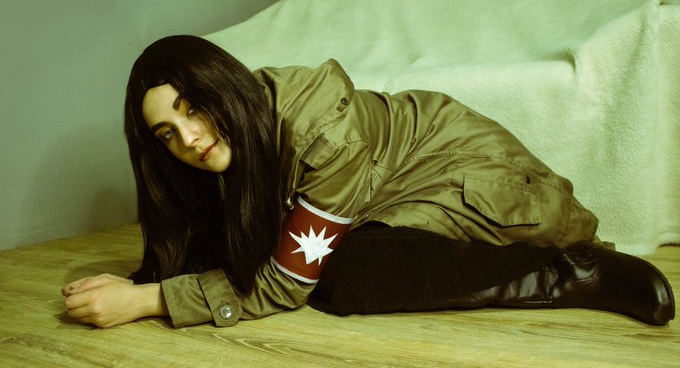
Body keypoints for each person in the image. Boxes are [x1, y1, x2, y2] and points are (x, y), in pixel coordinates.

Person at [62, 35, 674, 328]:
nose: (189, 139)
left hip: (479, 181)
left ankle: (574, 270)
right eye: (167, 133)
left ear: (220, 85)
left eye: (193, 108)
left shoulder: (317, 129)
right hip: (400, 193)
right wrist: (147, 276)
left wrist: (149, 301)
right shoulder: (238, 138)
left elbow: (285, 284)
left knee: (341, 276)